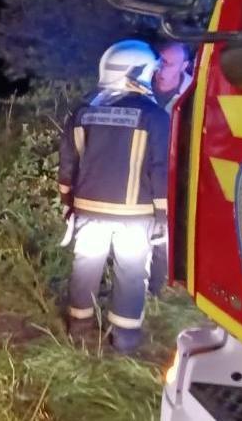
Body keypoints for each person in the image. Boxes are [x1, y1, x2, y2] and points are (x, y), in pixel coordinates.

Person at [58, 40, 171, 354]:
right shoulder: (155, 116)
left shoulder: (84, 112)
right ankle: (124, 338)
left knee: (86, 267)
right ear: (137, 73)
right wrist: (163, 215)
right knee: (132, 273)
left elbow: (69, 161)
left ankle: (79, 329)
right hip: (135, 216)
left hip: (89, 210)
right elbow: (159, 169)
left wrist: (68, 201)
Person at [148, 39, 194, 296]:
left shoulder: (194, 93)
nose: (160, 68)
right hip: (143, 167)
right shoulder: (142, 86)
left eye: (168, 63)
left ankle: (157, 286)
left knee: (165, 227)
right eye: (159, 60)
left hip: (176, 171)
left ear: (185, 65)